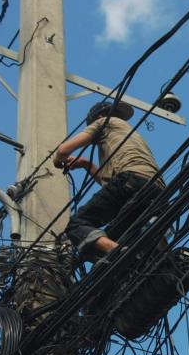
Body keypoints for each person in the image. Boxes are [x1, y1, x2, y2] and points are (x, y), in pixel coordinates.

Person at [53, 101, 164, 262]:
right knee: (108, 238)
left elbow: (63, 150)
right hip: (154, 189)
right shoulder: (127, 134)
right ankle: (132, 260)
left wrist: (57, 160)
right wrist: (86, 164)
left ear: (99, 117)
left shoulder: (104, 121)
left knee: (77, 226)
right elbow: (112, 185)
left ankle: (121, 253)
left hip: (131, 179)